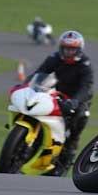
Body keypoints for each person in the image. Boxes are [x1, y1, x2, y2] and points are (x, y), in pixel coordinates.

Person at [24, 30, 93, 174]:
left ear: (78, 49)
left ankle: (68, 155)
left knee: (80, 118)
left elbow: (85, 87)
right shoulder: (55, 58)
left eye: (72, 49)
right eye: (66, 48)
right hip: (57, 94)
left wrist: (75, 101)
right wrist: (26, 84)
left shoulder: (84, 64)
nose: (68, 52)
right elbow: (40, 73)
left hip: (78, 98)